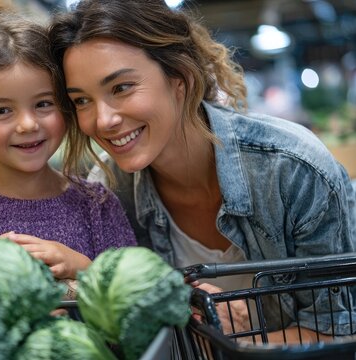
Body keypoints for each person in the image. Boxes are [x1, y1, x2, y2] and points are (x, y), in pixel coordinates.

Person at [48, 0, 356, 342]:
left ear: (180, 79)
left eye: (121, 88)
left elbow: (337, 330)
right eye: (81, 101)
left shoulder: (292, 170)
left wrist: (236, 345)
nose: (103, 120)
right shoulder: (110, 193)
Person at [0, 8, 136, 282]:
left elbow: (137, 299)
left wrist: (85, 269)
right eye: (2, 110)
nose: (27, 124)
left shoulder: (97, 205)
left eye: (43, 104)